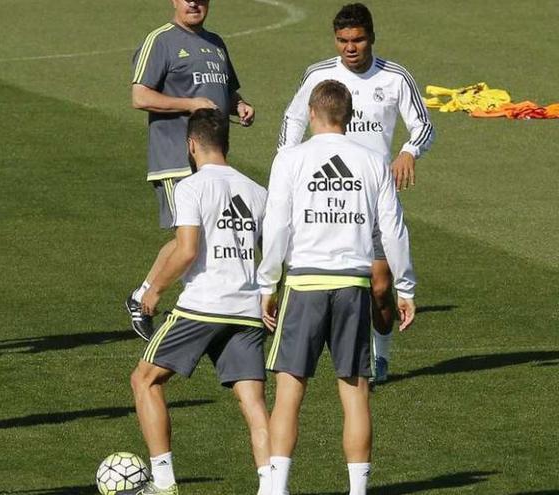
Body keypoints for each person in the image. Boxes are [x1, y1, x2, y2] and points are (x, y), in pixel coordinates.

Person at [259, 80, 416, 495]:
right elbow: (393, 229)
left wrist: (267, 282)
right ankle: (358, 490)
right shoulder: (371, 161)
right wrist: (405, 288)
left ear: (312, 114)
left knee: (289, 390)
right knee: (355, 392)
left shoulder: (290, 159)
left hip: (305, 282)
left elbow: (276, 225)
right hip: (353, 284)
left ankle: (277, 489)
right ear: (350, 117)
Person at [276, 3, 433, 383]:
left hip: (374, 199)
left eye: (358, 39)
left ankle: (380, 356)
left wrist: (408, 152)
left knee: (381, 288)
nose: (350, 47)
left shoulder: (395, 78)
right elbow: (293, 119)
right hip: (326, 195)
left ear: (371, 38)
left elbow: (424, 126)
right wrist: (287, 164)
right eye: (343, 40)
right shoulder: (318, 74)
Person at [120, 109, 270, 495]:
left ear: (191, 145)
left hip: (204, 304)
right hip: (248, 308)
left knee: (145, 380)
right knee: (252, 402)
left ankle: (164, 481)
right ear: (226, 143)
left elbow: (186, 250)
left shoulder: (191, 187)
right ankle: (272, 485)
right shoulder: (257, 191)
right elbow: (271, 257)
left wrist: (154, 291)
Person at [126, 0, 255, 341]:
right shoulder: (161, 40)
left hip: (209, 160)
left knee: (197, 235)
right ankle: (144, 296)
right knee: (190, 237)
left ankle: (148, 296)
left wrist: (239, 105)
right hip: (174, 156)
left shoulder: (216, 43)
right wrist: (190, 104)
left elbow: (225, 90)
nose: (194, 3)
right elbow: (140, 96)